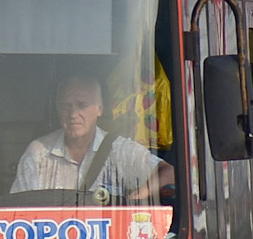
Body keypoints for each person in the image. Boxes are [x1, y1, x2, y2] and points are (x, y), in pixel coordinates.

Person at [11, 74, 175, 203]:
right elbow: (17, 210)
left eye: (81, 105)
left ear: (100, 109)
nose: (73, 114)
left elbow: (169, 172)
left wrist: (142, 193)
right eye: (66, 106)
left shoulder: (121, 151)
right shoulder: (38, 153)